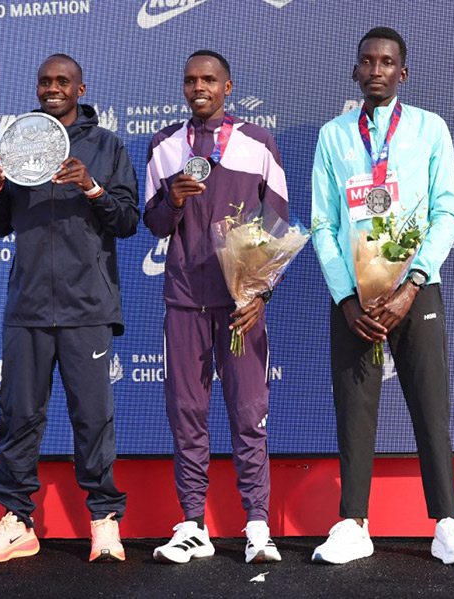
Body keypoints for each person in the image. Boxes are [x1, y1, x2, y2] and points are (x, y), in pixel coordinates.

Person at [310, 28, 454, 565]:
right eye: (367, 61)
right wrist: (346, 298)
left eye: (387, 62)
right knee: (353, 412)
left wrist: (414, 283)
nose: (377, 70)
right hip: (356, 300)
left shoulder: (430, 128)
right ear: (355, 71)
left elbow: (447, 212)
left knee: (431, 409)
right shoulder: (334, 135)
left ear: (402, 73)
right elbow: (322, 224)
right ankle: (353, 524)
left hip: (416, 291)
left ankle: (447, 524)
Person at [0, 54, 139, 563]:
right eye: (45, 81)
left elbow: (128, 220)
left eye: (62, 81)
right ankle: (18, 521)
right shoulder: (18, 143)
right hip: (27, 308)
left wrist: (90, 187)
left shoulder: (107, 146)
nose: (52, 88)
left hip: (87, 306)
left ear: (80, 88)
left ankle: (104, 520)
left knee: (92, 418)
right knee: (18, 416)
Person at [143, 50, 289, 564]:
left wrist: (260, 292)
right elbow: (156, 224)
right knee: (187, 415)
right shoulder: (163, 146)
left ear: (229, 87)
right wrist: (175, 200)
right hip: (184, 300)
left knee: (249, 413)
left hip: (240, 305)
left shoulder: (257, 143)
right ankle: (192, 525)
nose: (198, 87)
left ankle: (256, 526)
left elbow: (277, 226)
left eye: (209, 79)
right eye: (190, 80)